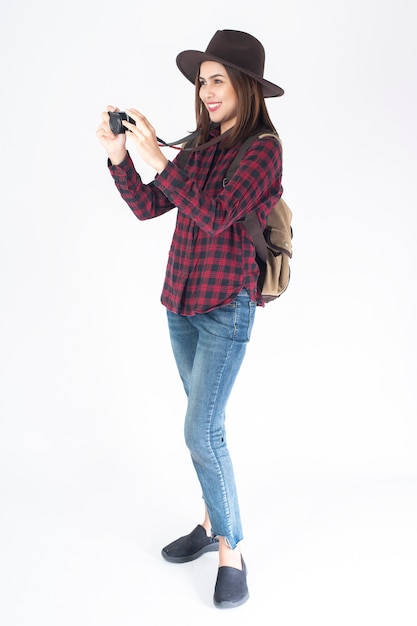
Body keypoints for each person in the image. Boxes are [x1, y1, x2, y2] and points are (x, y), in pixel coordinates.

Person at [96, 29, 284, 609]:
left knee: (199, 432)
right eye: (201, 82)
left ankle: (230, 551)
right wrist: (121, 157)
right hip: (181, 301)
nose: (205, 91)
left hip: (227, 305)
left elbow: (217, 214)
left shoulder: (262, 149)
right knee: (208, 429)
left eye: (217, 80)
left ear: (245, 87)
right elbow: (153, 206)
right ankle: (208, 525)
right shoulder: (201, 144)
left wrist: (160, 159)